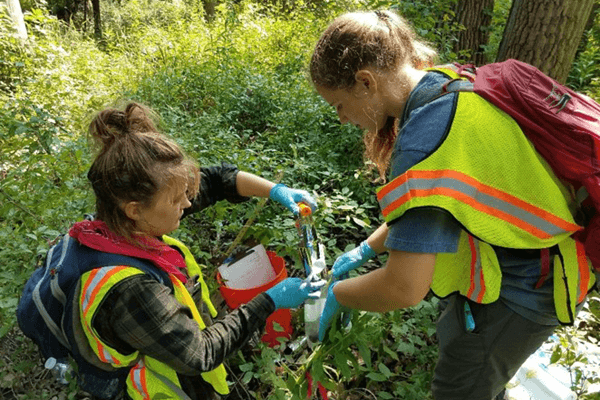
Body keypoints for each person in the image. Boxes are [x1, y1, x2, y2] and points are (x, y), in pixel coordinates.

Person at [309, 10, 597, 400]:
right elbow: (444, 199)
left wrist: (336, 293)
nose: (342, 119)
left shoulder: (425, 141)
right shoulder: (448, 83)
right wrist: (365, 249)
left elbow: (404, 288)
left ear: (365, 82)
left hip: (524, 291)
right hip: (528, 264)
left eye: (339, 105)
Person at [51, 102, 324, 400]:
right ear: (134, 209)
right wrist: (271, 300)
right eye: (177, 199)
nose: (188, 203)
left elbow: (220, 180)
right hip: (166, 386)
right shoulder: (130, 291)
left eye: (186, 192)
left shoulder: (125, 222)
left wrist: (276, 191)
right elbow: (200, 353)